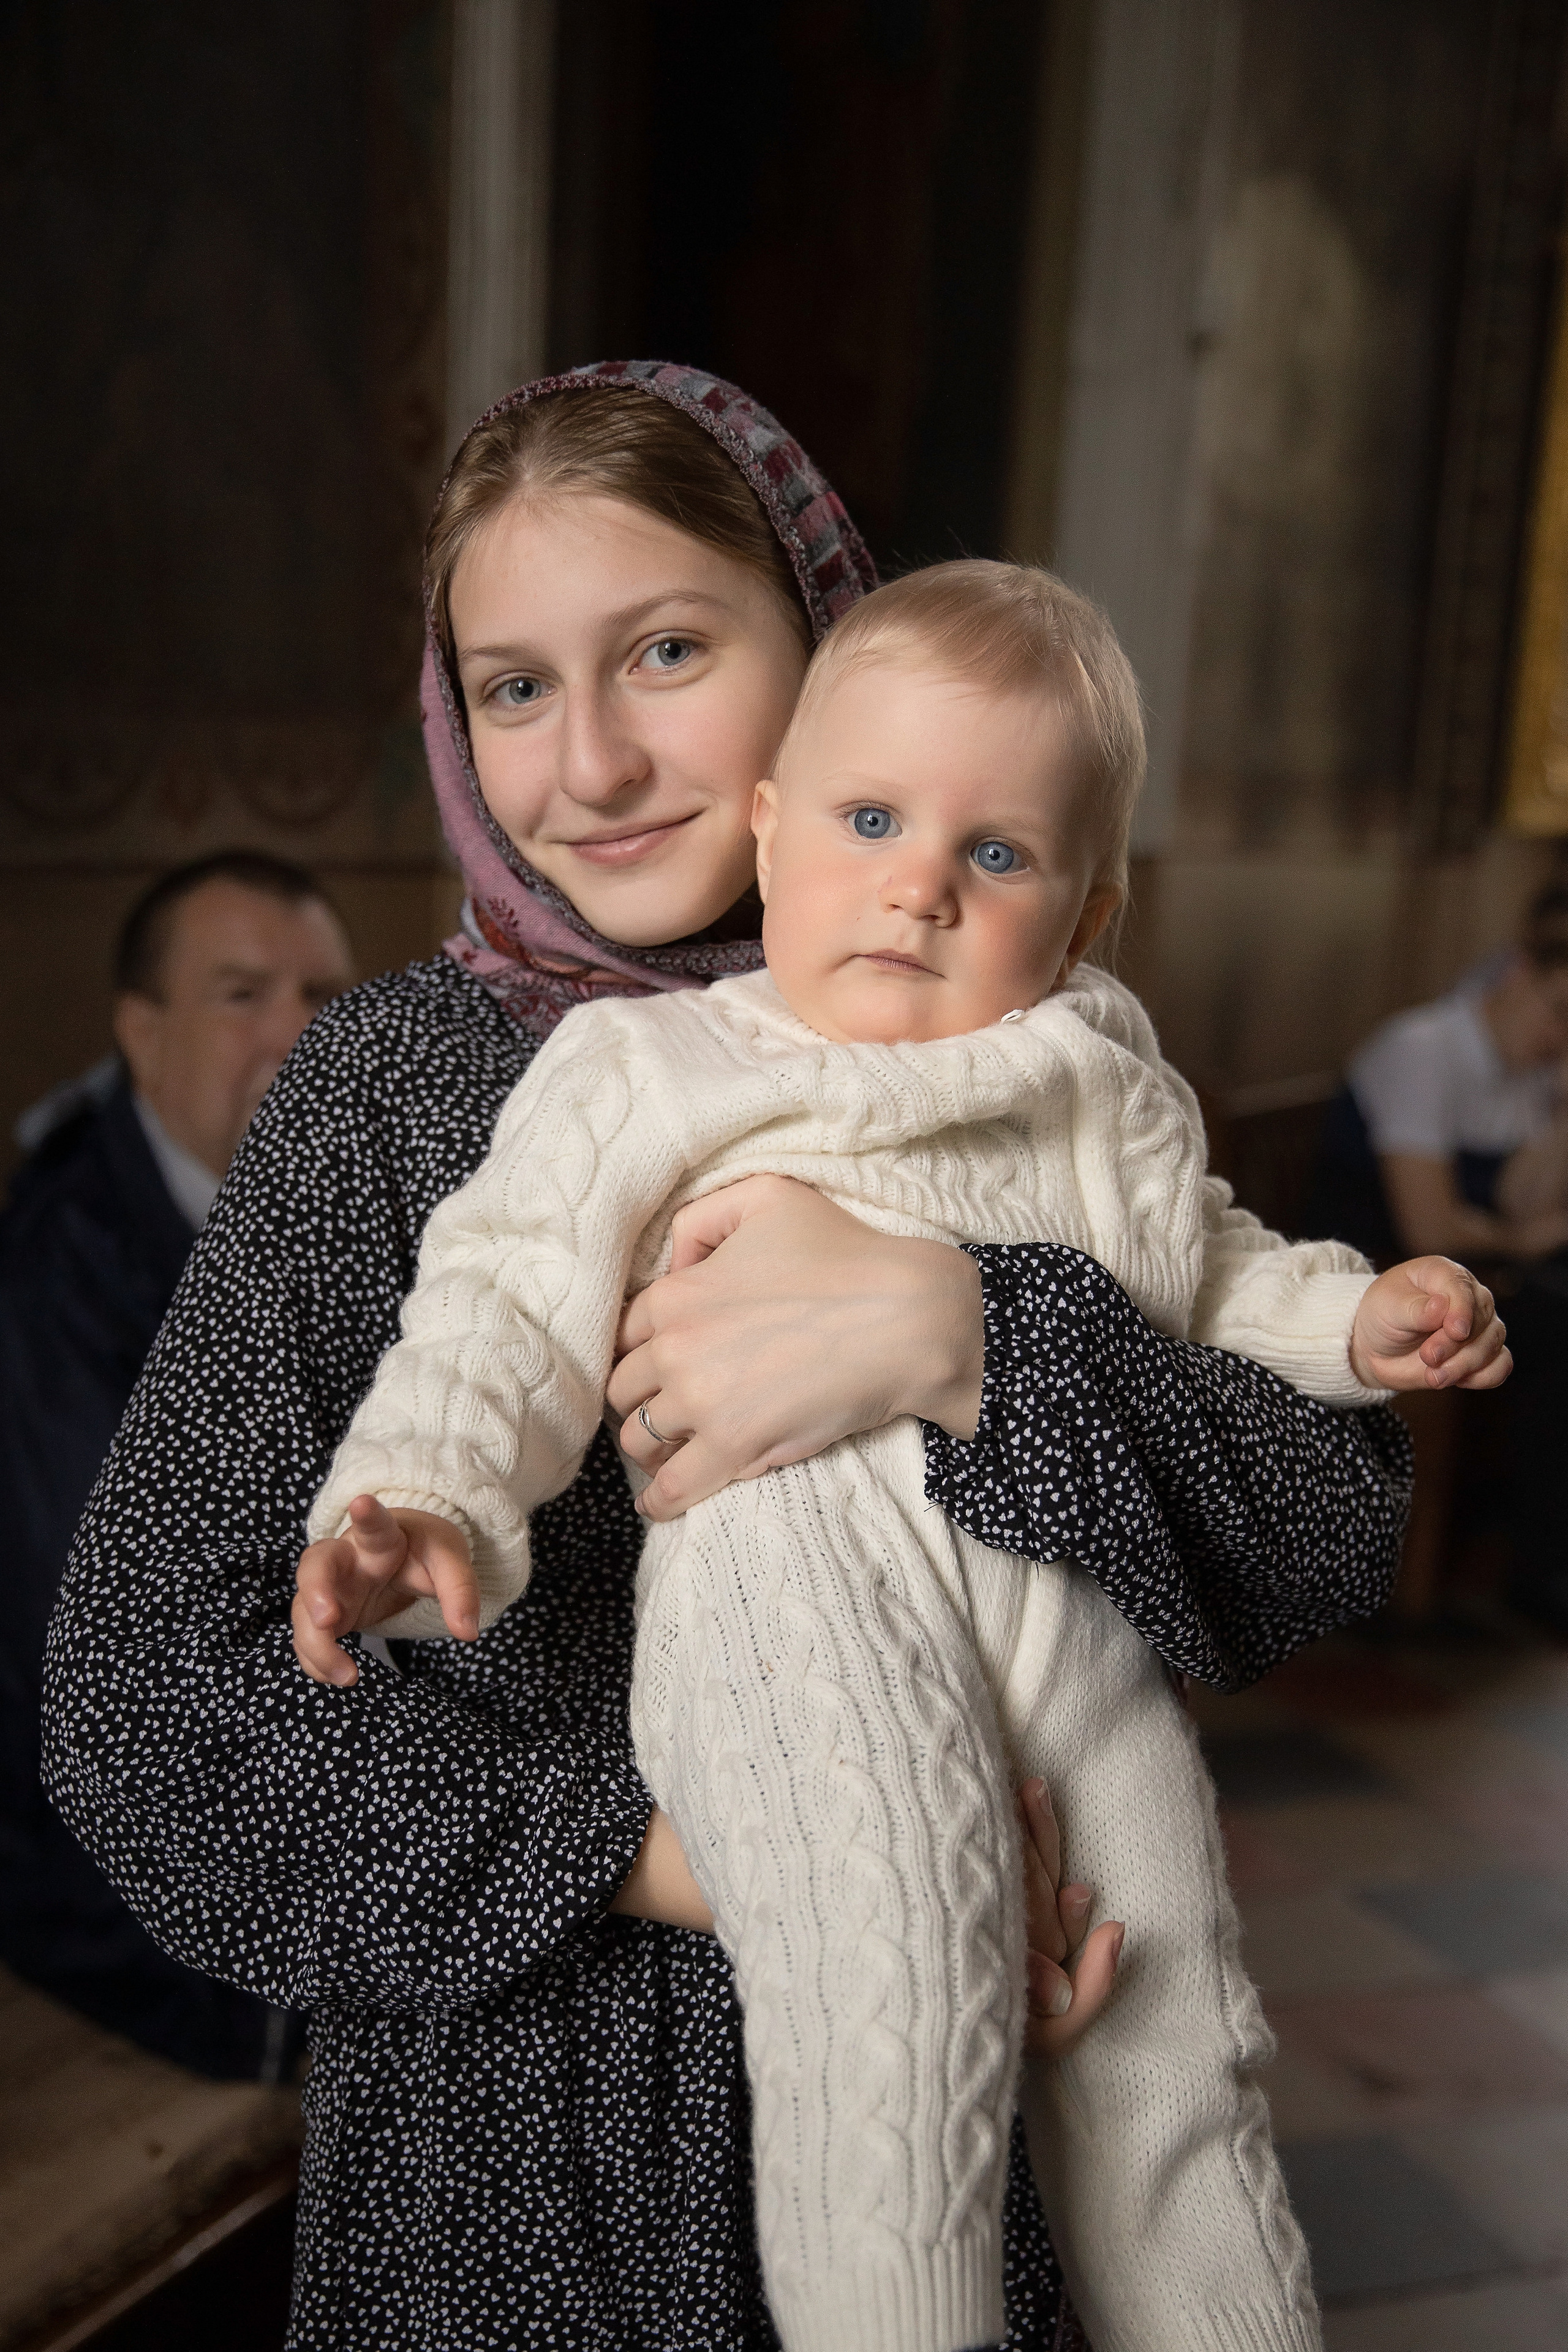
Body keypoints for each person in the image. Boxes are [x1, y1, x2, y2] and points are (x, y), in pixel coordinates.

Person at [42, 365, 1419, 2352]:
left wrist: (967, 1340)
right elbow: (144, 1696)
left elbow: (1320, 1522)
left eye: (667, 649)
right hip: (523, 2156)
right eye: (512, 688)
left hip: (1004, 2110)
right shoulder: (392, 1090)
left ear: (830, 645)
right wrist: (720, 1863)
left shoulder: (1019, 1018)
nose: (588, 764)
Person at [294, 559, 1503, 2352]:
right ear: (784, 831)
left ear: (1086, 918)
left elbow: (1207, 1269)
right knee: (907, 2005)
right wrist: (421, 1494)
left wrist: (1348, 1318)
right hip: (798, 1601)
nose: (921, 881)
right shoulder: (652, 1065)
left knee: (1181, 2051)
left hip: (1069, 1646)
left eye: (994, 854)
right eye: (870, 818)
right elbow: (500, 1311)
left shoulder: (1101, 1069)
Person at [0, 851, 354, 2075]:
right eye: (242, 995)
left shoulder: (305, 1203)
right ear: (143, 1037)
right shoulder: (59, 1280)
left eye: (321, 994)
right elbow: (129, 1667)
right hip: (121, 1903)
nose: (296, 1032)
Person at [1307, 887, 1568, 1628]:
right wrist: (1518, 1240)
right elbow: (1433, 1223)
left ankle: (1532, 1539)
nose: (1558, 1034)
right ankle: (1536, 1566)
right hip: (1371, 1271)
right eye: (1557, 1008)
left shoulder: (1526, 1074)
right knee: (1552, 1320)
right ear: (1516, 974)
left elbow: (1521, 1203)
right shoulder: (1424, 1047)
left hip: (1456, 1270)